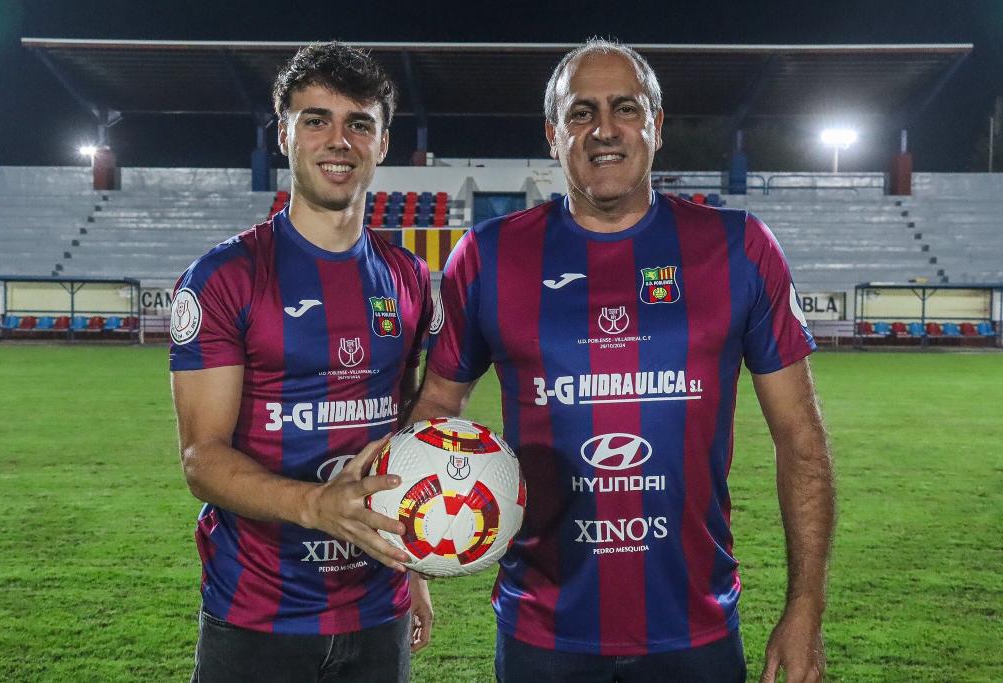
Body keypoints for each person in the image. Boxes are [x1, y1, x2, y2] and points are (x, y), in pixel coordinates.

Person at [409, 39, 835, 682]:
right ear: (553, 135)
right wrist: (412, 560)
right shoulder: (488, 255)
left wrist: (805, 606)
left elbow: (800, 440)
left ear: (657, 127)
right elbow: (436, 411)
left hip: (696, 626)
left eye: (625, 108)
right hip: (541, 629)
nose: (603, 129)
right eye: (580, 113)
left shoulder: (739, 247)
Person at [169, 42, 434, 683]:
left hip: (378, 609)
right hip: (257, 614)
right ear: (285, 133)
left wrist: (417, 569)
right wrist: (317, 505)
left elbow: (406, 437)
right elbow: (202, 460)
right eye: (316, 119)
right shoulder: (224, 278)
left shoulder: (409, 280)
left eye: (358, 123)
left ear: (383, 141)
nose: (338, 140)